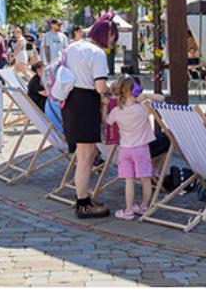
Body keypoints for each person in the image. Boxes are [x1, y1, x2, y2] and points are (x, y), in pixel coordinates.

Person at [61, 16, 112, 218]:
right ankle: (82, 202)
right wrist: (110, 91)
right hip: (86, 103)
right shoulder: (98, 53)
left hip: (71, 101)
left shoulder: (73, 46)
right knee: (85, 157)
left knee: (86, 155)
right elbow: (100, 86)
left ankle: (83, 197)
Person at [104, 75, 166, 220]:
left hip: (125, 149)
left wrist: (104, 106)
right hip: (142, 149)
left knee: (129, 181)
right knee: (145, 179)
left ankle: (128, 210)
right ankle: (144, 207)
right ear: (136, 90)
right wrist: (145, 96)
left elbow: (106, 121)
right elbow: (162, 98)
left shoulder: (117, 111)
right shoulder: (144, 107)